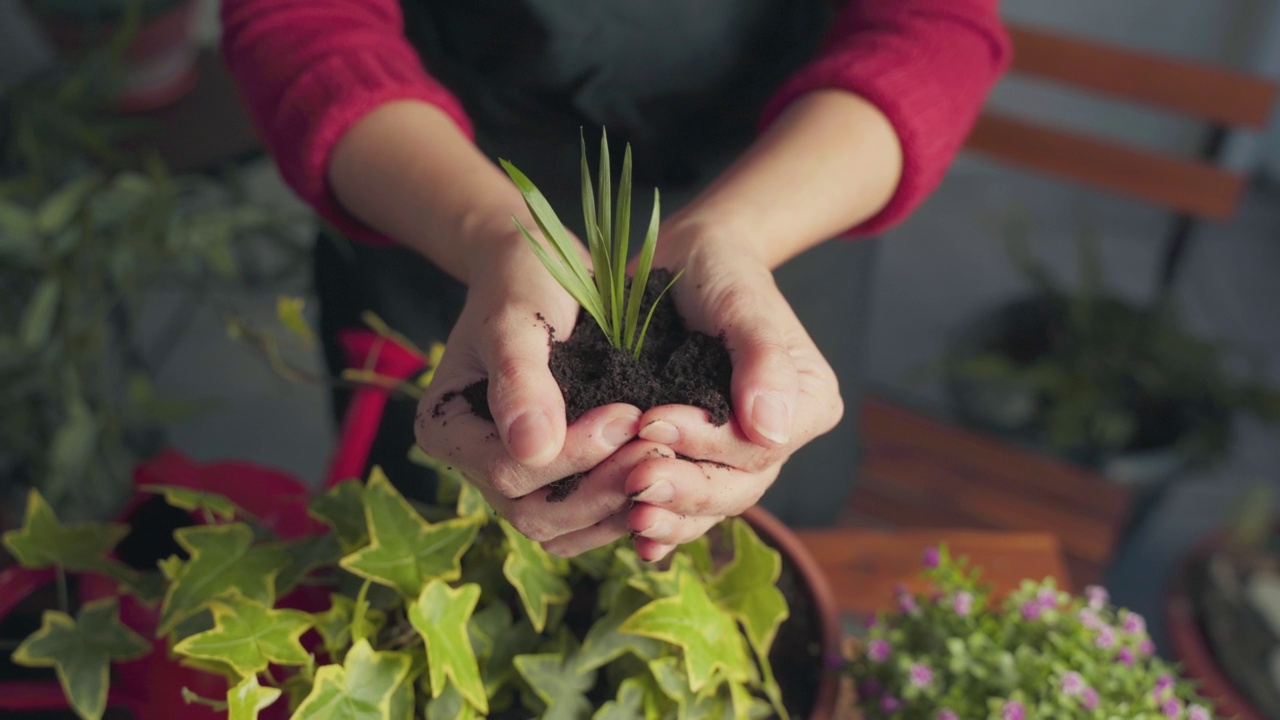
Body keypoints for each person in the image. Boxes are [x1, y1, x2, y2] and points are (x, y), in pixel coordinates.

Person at [220, 0, 1010, 561]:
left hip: (789, 184)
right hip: (436, 182)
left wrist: (733, 234)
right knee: (439, 523)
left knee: (757, 519)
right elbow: (301, 18)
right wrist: (499, 232)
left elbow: (934, 22)